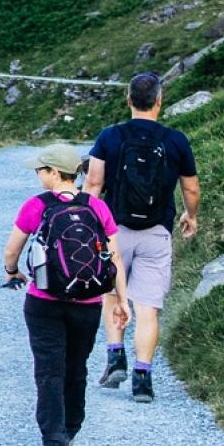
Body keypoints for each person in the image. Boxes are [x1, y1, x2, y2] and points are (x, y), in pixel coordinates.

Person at [3, 144, 129, 446]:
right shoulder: (97, 208)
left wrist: (12, 271)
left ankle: (53, 440)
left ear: (56, 174)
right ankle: (71, 427)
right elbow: (113, 258)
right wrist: (122, 301)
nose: (38, 174)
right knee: (76, 366)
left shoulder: (36, 206)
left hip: (44, 302)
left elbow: (11, 251)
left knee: (48, 369)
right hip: (87, 303)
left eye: (41, 170)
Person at [86, 72, 201, 402]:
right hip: (156, 232)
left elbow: (94, 184)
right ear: (160, 101)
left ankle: (115, 355)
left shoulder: (110, 136)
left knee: (111, 295)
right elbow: (190, 187)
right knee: (148, 307)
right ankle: (142, 379)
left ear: (128, 99)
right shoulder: (175, 140)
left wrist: (89, 221)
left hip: (114, 231)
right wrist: (190, 216)